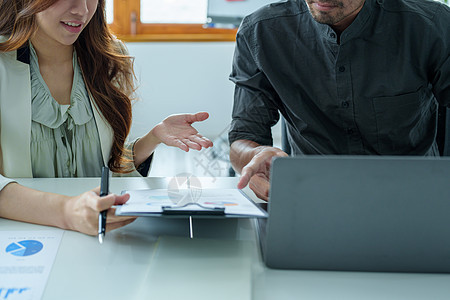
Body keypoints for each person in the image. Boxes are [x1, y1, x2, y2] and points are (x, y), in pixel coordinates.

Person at [0, 0, 213, 235]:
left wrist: (152, 139)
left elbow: (106, 167)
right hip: (22, 234)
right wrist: (68, 211)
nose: (81, 10)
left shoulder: (109, 57)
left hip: (99, 234)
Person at [229, 0, 450, 200]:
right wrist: (254, 156)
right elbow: (243, 138)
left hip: (418, 197)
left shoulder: (431, 24)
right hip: (312, 199)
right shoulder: (260, 32)